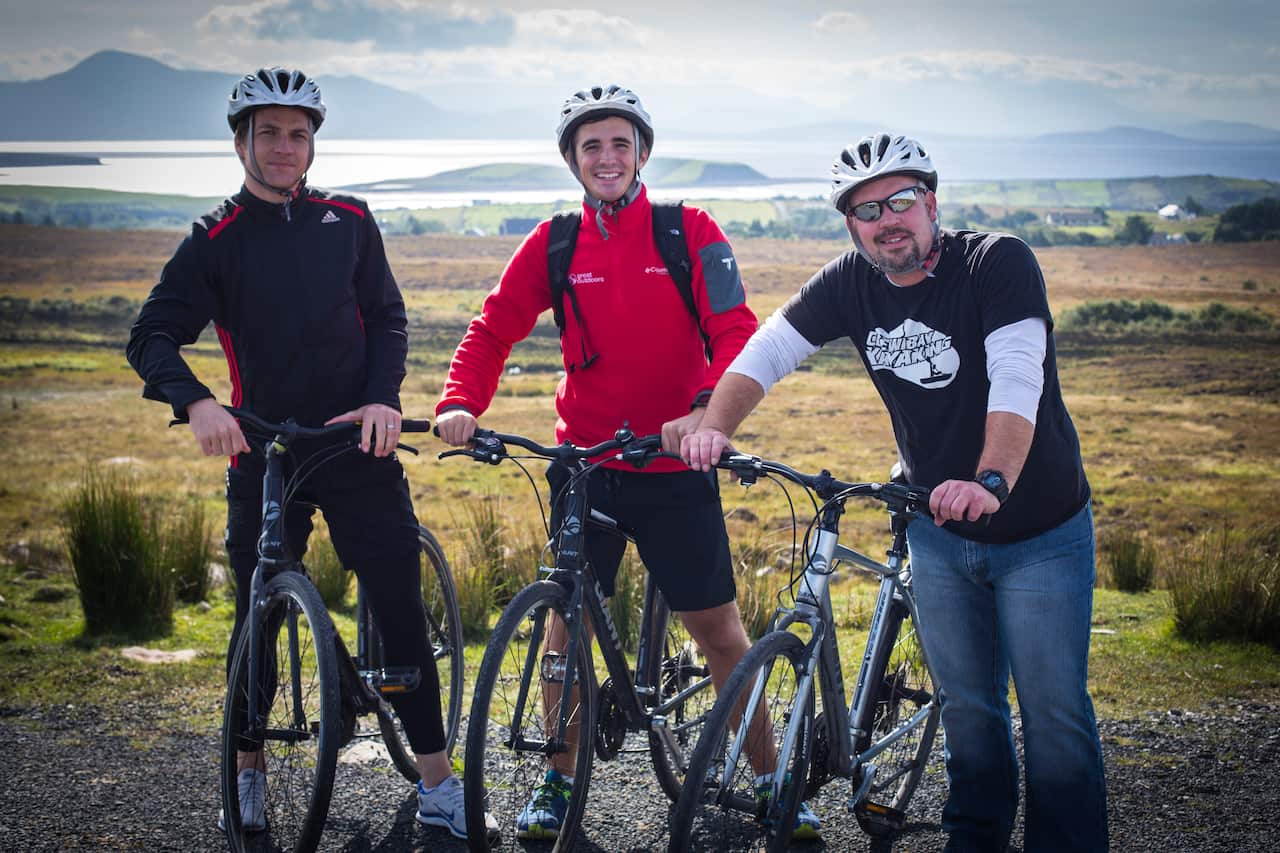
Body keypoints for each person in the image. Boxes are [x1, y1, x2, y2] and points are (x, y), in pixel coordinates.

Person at [682, 133, 1108, 851]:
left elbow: (1018, 375)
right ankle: (974, 839)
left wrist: (990, 479)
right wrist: (713, 427)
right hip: (936, 528)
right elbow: (770, 349)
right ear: (852, 225)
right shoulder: (850, 281)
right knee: (968, 710)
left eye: (901, 200)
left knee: (1054, 716)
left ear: (931, 203)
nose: (888, 220)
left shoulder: (996, 262)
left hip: (1039, 531)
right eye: (867, 210)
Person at [435, 84, 821, 841]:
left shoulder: (688, 230)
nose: (607, 157)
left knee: (717, 631)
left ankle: (773, 781)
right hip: (587, 467)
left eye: (620, 143)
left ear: (642, 153)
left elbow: (734, 329)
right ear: (572, 161)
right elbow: (494, 327)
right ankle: (557, 779)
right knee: (564, 625)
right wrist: (460, 401)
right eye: (592, 146)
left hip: (675, 467)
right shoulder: (554, 243)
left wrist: (706, 414)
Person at [125, 67, 495, 843]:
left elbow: (387, 318)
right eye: (269, 133)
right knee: (255, 615)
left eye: (298, 133)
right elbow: (151, 335)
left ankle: (437, 782)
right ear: (241, 143)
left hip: (357, 441)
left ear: (312, 143)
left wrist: (384, 397)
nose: (285, 147)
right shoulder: (214, 239)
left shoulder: (349, 220)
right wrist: (197, 402)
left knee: (398, 603)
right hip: (264, 449)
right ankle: (248, 770)